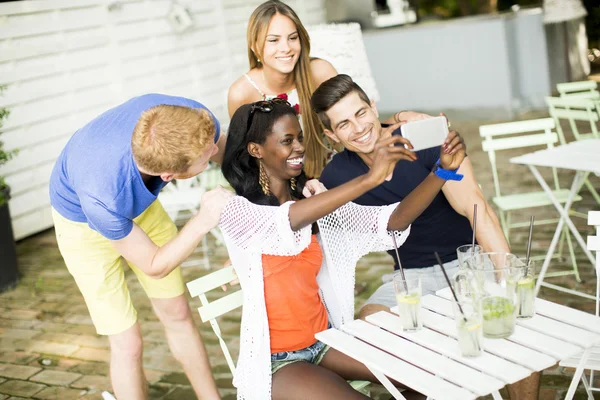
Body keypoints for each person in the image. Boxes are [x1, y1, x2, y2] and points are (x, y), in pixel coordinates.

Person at [217, 97, 466, 399]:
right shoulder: (237, 211)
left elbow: (392, 221)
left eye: (300, 139)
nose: (298, 148)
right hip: (279, 361)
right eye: (287, 141)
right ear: (256, 150)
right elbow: (286, 221)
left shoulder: (311, 202)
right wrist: (372, 178)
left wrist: (441, 171)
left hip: (325, 343)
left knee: (435, 376)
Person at [311, 74, 540, 400]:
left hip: (467, 261)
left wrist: (505, 276)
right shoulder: (336, 176)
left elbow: (475, 207)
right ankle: (446, 379)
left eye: (361, 113)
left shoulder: (426, 139)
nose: (359, 128)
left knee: (516, 332)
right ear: (331, 134)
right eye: (344, 124)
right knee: (371, 323)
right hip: (410, 276)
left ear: (374, 107)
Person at [49, 93, 233, 400]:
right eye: (206, 157)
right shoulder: (104, 196)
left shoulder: (194, 121)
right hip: (82, 226)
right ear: (170, 176)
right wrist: (203, 220)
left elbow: (228, 156)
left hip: (139, 209)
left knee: (176, 311)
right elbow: (154, 265)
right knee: (127, 341)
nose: (214, 149)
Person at [227, 0, 418, 178]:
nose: (286, 48)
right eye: (273, 40)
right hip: (282, 187)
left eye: (292, 38)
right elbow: (245, 159)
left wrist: (399, 118)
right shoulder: (241, 93)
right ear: (254, 46)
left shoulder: (319, 71)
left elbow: (353, 126)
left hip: (334, 173)